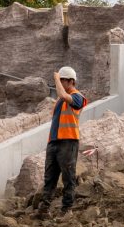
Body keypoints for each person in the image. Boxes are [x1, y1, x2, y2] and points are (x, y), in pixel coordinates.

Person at [37, 66, 88, 216]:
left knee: (68, 177)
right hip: (54, 142)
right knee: (49, 178)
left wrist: (56, 78)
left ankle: (67, 210)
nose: (59, 83)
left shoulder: (78, 97)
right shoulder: (60, 101)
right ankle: (44, 209)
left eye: (62, 80)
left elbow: (63, 94)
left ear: (71, 81)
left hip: (68, 141)